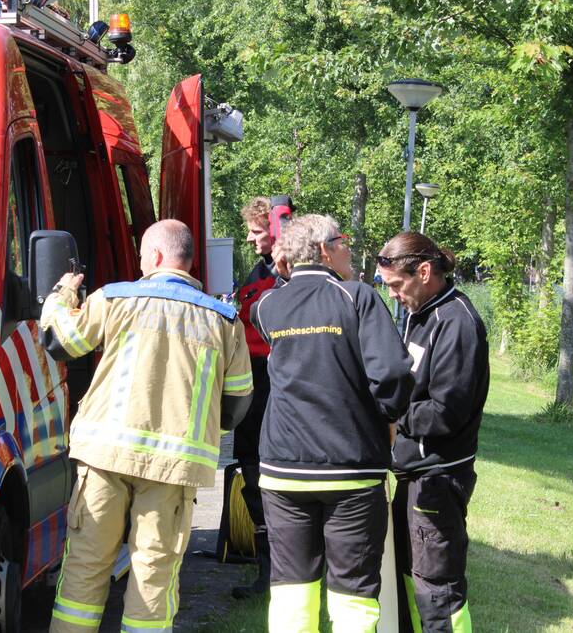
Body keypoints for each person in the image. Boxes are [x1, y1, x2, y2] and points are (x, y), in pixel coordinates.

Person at [40, 219, 254, 633]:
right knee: (153, 577)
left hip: (105, 458)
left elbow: (59, 341)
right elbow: (237, 401)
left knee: (85, 566)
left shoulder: (115, 299)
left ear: (155, 256)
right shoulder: (224, 320)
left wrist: (63, 292)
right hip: (173, 469)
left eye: (141, 256)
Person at [252, 214, 414, 632]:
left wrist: (282, 267)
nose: (349, 250)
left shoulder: (267, 307)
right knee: (354, 592)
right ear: (325, 250)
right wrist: (390, 418)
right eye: (343, 242)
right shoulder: (357, 297)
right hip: (351, 467)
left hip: (283, 470)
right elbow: (394, 373)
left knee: (291, 588)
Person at [375, 232, 489, 633]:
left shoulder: (456, 322)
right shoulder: (421, 313)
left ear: (424, 272)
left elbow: (446, 412)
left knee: (437, 590)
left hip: (439, 477)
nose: (393, 295)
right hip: (414, 474)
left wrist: (391, 414)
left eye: (396, 285)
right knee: (410, 577)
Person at [232, 196, 283, 599]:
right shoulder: (260, 269)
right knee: (252, 473)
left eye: (257, 232)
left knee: (268, 476)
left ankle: (278, 572)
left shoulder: (287, 276)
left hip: (271, 382)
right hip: (251, 381)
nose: (250, 239)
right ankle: (265, 573)